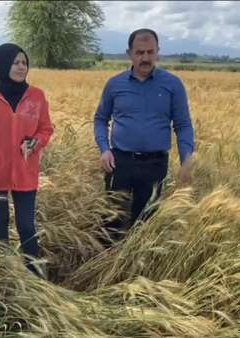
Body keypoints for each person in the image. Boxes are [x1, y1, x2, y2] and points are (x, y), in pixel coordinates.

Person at [93, 28, 195, 241]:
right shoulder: (115, 84)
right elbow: (101, 119)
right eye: (140, 52)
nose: (145, 58)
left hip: (155, 165)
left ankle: (137, 271)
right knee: (110, 223)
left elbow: (183, 124)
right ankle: (106, 267)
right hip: (119, 162)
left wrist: (187, 159)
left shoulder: (172, 84)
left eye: (150, 52)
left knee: (145, 225)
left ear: (158, 52)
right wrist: (104, 150)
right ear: (129, 53)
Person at [0, 43, 54, 275]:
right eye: (16, 62)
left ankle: (33, 276)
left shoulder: (36, 96)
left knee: (26, 226)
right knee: (0, 225)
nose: (22, 67)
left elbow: (46, 128)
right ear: (2, 65)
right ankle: (3, 274)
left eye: (24, 62)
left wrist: (35, 142)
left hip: (25, 172)